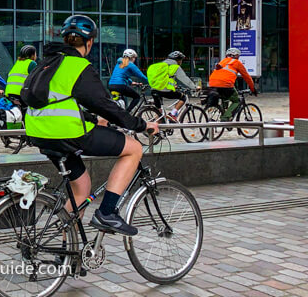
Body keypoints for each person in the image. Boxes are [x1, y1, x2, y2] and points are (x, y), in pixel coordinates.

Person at [25, 15, 159, 236]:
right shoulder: (78, 65)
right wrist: (141, 125)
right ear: (89, 42)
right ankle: (107, 212)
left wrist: (93, 119)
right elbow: (105, 105)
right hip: (67, 133)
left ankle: (65, 246)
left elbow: (58, 102)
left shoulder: (48, 63)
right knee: (133, 148)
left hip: (39, 132)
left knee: (81, 189)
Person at [207, 47, 257, 121]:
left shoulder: (223, 61)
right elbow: (247, 77)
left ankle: (223, 110)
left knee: (225, 96)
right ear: (236, 56)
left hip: (212, 83)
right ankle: (225, 117)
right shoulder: (237, 63)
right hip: (225, 84)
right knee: (237, 100)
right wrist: (253, 89)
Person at [147, 51, 196, 122]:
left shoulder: (160, 65)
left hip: (154, 89)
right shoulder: (175, 66)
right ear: (178, 60)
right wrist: (194, 87)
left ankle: (156, 129)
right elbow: (184, 78)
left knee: (159, 113)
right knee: (183, 97)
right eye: (181, 60)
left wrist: (172, 85)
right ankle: (172, 114)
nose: (181, 62)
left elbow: (163, 79)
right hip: (163, 90)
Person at [108, 49, 149, 113]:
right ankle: (127, 114)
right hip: (120, 85)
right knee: (137, 97)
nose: (134, 59)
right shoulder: (130, 64)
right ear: (131, 57)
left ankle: (120, 116)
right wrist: (151, 82)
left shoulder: (119, 63)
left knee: (121, 105)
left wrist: (135, 83)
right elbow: (141, 76)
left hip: (111, 85)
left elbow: (122, 76)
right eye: (134, 58)